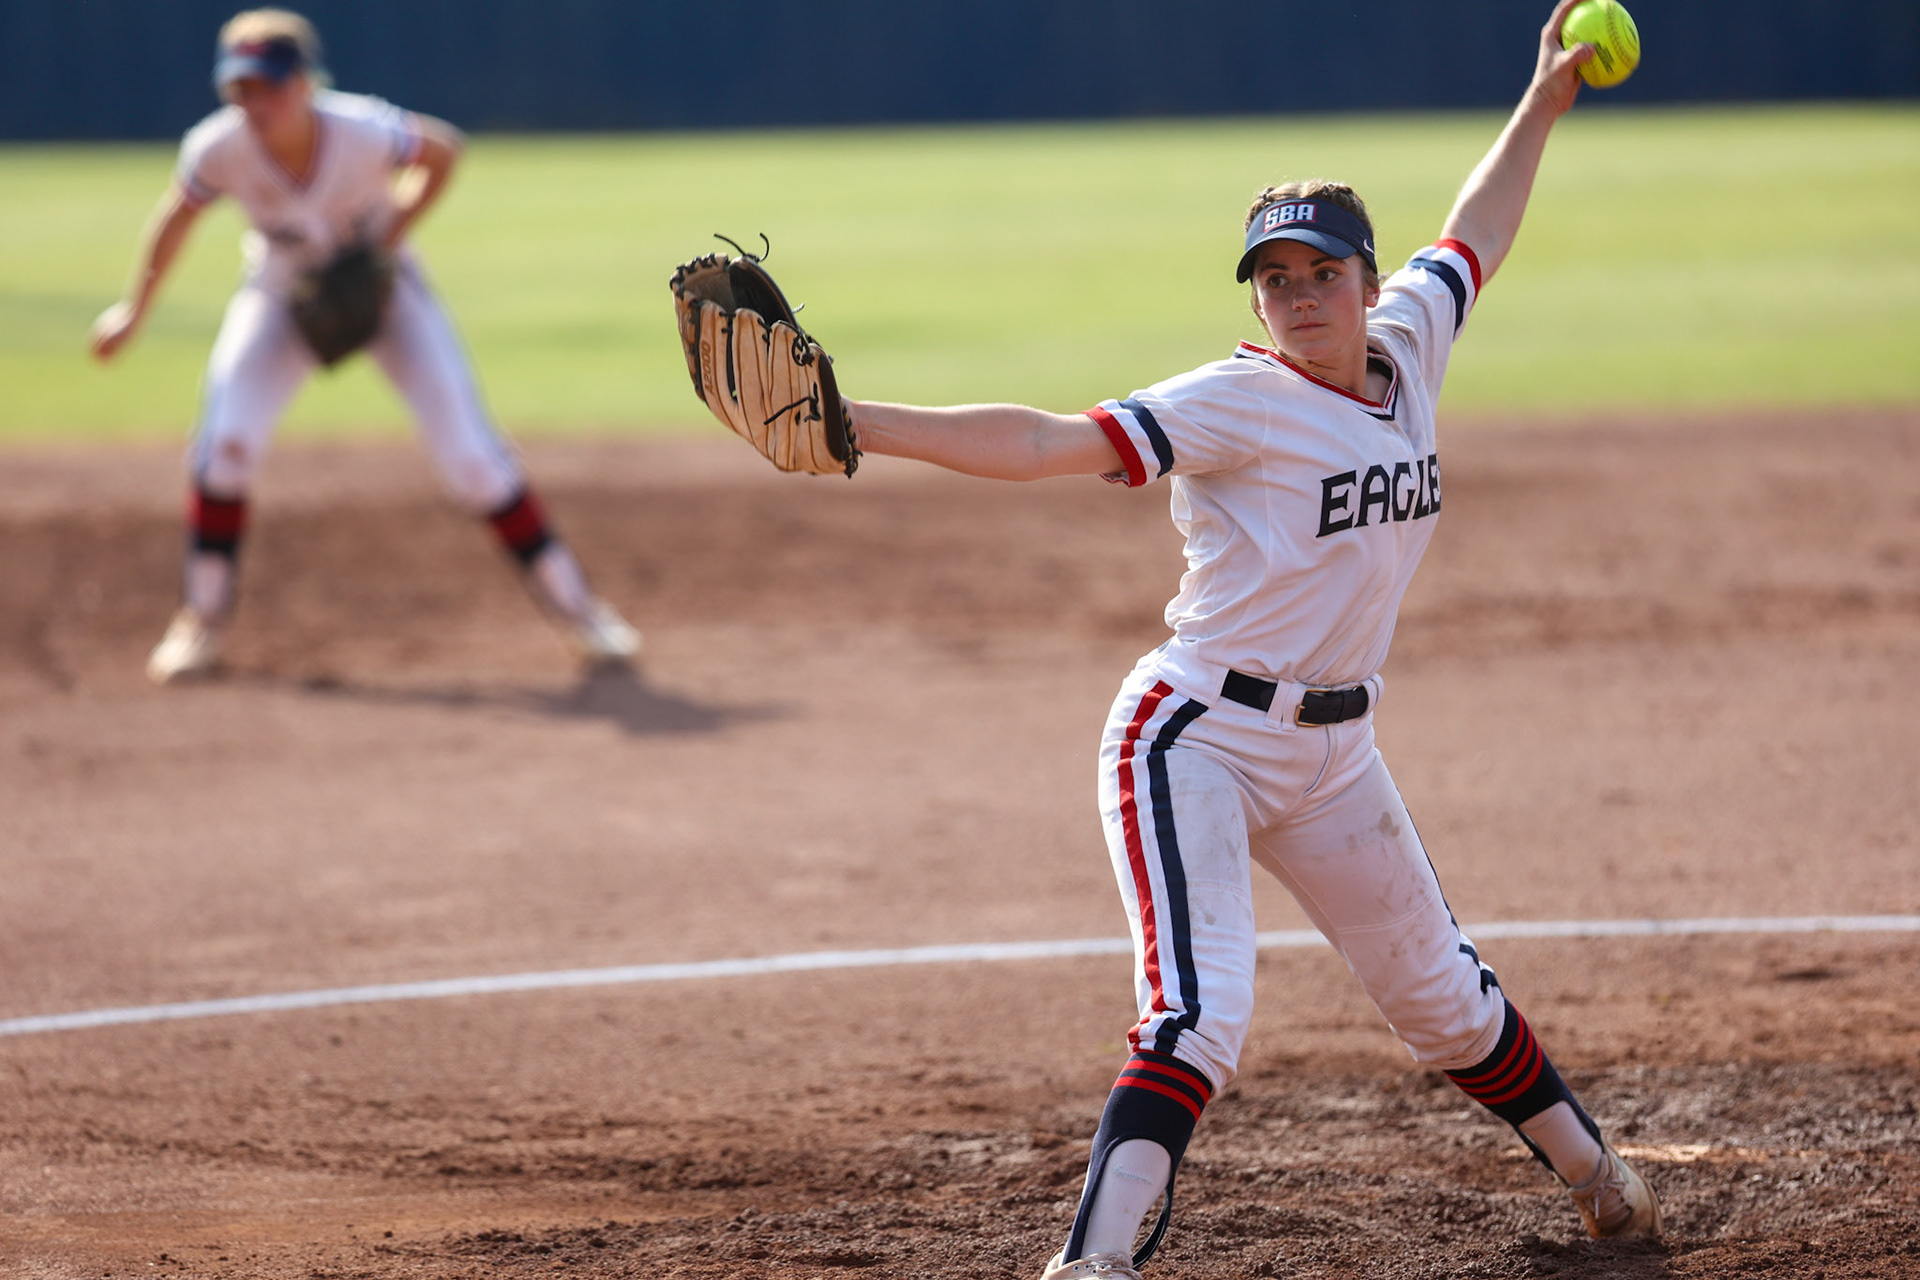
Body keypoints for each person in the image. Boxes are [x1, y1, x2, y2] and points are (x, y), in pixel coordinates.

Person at [841, 3, 1661, 1274]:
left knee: (1442, 994)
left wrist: (1544, 99)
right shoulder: (1236, 402)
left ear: (1366, 280)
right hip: (1197, 739)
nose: (1298, 297)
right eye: (1275, 278)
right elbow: (1049, 442)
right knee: (1201, 1017)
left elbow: (1478, 226)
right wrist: (857, 422)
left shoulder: (1413, 343)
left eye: (1321, 272)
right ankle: (1089, 1267)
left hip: (1338, 754)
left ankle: (1601, 1181)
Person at [89, 8, 639, 683]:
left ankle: (582, 614)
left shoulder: (359, 128)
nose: (254, 102)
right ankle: (200, 623)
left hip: (388, 293)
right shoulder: (218, 147)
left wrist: (389, 235)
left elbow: (444, 151)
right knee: (225, 444)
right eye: (241, 89)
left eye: (268, 85)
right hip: (280, 294)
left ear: (304, 84)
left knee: (472, 458)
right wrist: (132, 311)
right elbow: (177, 215)